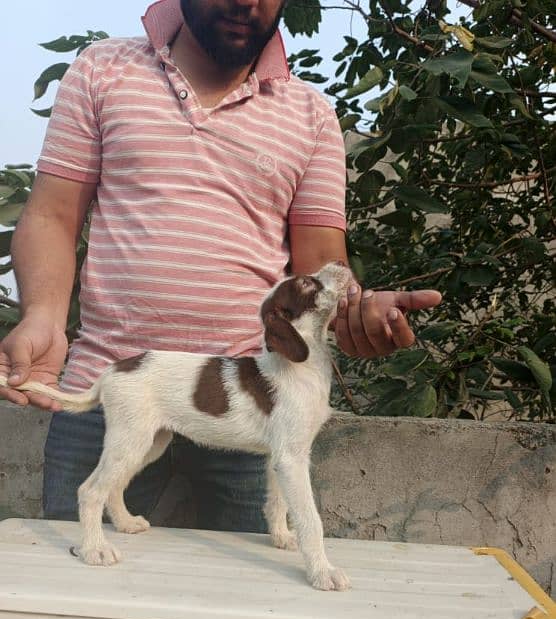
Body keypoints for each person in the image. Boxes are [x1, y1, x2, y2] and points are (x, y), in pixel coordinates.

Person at [0, 0, 441, 532]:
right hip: (118, 378)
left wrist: (359, 312)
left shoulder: (310, 114)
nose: (246, 2)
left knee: (249, 589)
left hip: (252, 394)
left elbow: (321, 260)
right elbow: (51, 214)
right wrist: (43, 317)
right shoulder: (102, 69)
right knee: (84, 581)